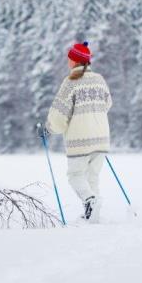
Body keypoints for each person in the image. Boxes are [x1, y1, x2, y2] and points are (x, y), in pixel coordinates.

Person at [41, 41, 112, 223]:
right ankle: (92, 215)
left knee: (75, 176)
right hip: (102, 139)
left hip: (80, 140)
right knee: (92, 176)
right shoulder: (99, 80)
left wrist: (48, 128)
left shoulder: (70, 83)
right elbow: (107, 104)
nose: (67, 62)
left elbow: (58, 115)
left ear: (74, 61)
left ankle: (90, 201)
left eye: (69, 59)